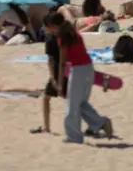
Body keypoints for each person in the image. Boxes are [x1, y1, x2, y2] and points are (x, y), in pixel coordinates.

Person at [43, 13, 114, 144]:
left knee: (72, 106)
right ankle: (100, 123)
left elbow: (62, 63)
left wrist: (59, 84)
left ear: (54, 26)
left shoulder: (62, 38)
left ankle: (74, 136)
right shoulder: (74, 34)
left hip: (78, 70)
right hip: (88, 67)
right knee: (81, 103)